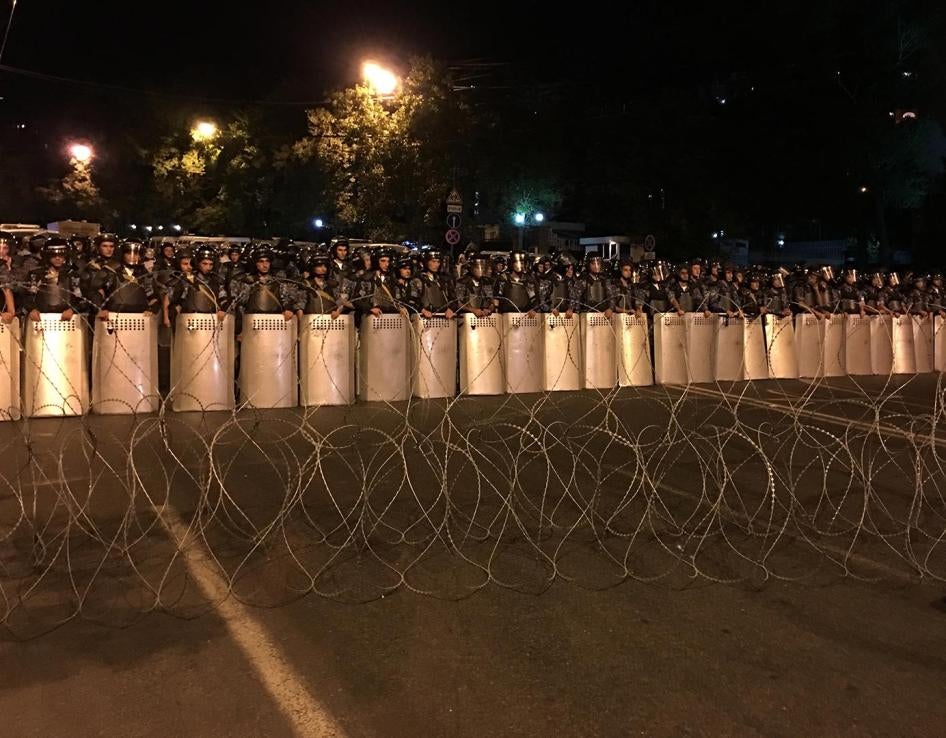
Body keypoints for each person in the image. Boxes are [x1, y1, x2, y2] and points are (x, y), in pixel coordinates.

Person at [88, 240, 160, 319]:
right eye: (129, 253)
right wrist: (100, 309)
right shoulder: (110, 270)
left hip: (140, 316)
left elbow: (153, 296)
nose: (132, 256)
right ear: (123, 254)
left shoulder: (144, 273)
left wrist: (152, 309)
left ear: (140, 256)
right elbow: (96, 290)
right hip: (112, 315)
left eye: (136, 253)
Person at [24, 237, 84, 323]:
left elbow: (81, 298)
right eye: (53, 255)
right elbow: (28, 296)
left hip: (68, 320)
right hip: (41, 319)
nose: (57, 258)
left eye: (61, 255)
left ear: (66, 255)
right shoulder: (36, 275)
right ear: (47, 256)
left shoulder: (72, 275)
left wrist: (72, 310)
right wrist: (32, 309)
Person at [165, 245, 229, 325]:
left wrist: (223, 310)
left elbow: (223, 298)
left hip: (212, 321)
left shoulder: (217, 281)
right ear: (198, 263)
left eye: (210, 264)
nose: (208, 267)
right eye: (204, 264)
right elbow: (176, 301)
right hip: (190, 322)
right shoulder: (187, 280)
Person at [230, 245, 295, 321]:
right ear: (256, 264)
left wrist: (288, 308)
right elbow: (238, 301)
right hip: (252, 321)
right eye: (261, 261)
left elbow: (287, 298)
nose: (265, 265)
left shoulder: (278, 282)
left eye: (267, 261)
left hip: (274, 321)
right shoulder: (247, 281)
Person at [296, 250, 347, 319]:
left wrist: (338, 311)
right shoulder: (305, 285)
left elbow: (340, 302)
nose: (323, 269)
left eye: (325, 266)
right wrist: (301, 325)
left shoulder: (332, 285)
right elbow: (300, 306)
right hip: (311, 322)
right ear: (312, 268)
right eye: (319, 266)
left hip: (330, 322)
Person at [411, 248, 456, 319]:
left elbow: (453, 299)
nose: (436, 264)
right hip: (424, 318)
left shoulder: (443, 280)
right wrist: (423, 310)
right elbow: (412, 301)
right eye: (433, 261)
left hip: (443, 317)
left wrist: (451, 309)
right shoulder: (418, 280)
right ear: (426, 262)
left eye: (438, 262)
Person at [0, 232, 17, 323]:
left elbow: (9, 288)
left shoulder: (18, 265)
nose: (1, 251)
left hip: (14, 314)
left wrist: (8, 268)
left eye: (5, 248)